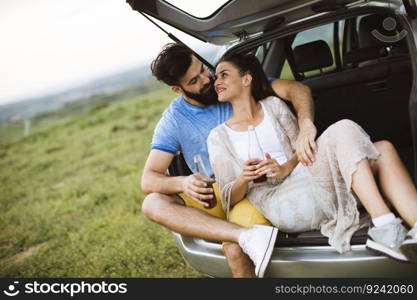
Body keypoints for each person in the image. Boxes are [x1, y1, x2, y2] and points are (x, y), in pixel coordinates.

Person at [207, 52, 417, 268]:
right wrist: (244, 178)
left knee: (384, 148)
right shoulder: (218, 137)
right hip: (278, 202)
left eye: (224, 75)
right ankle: (384, 225)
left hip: (303, 175)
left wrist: (285, 168)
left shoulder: (273, 106)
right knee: (343, 127)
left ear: (246, 79)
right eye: (216, 77)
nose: (217, 82)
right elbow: (227, 198)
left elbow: (303, 151)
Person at [141, 43, 317, 277]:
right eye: (194, 81)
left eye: (203, 70)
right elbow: (149, 178)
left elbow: (298, 90)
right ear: (177, 89)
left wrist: (305, 126)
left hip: (248, 190)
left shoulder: (231, 85)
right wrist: (183, 183)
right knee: (152, 203)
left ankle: (239, 239)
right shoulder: (174, 120)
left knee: (235, 252)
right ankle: (242, 235)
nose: (207, 80)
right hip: (211, 194)